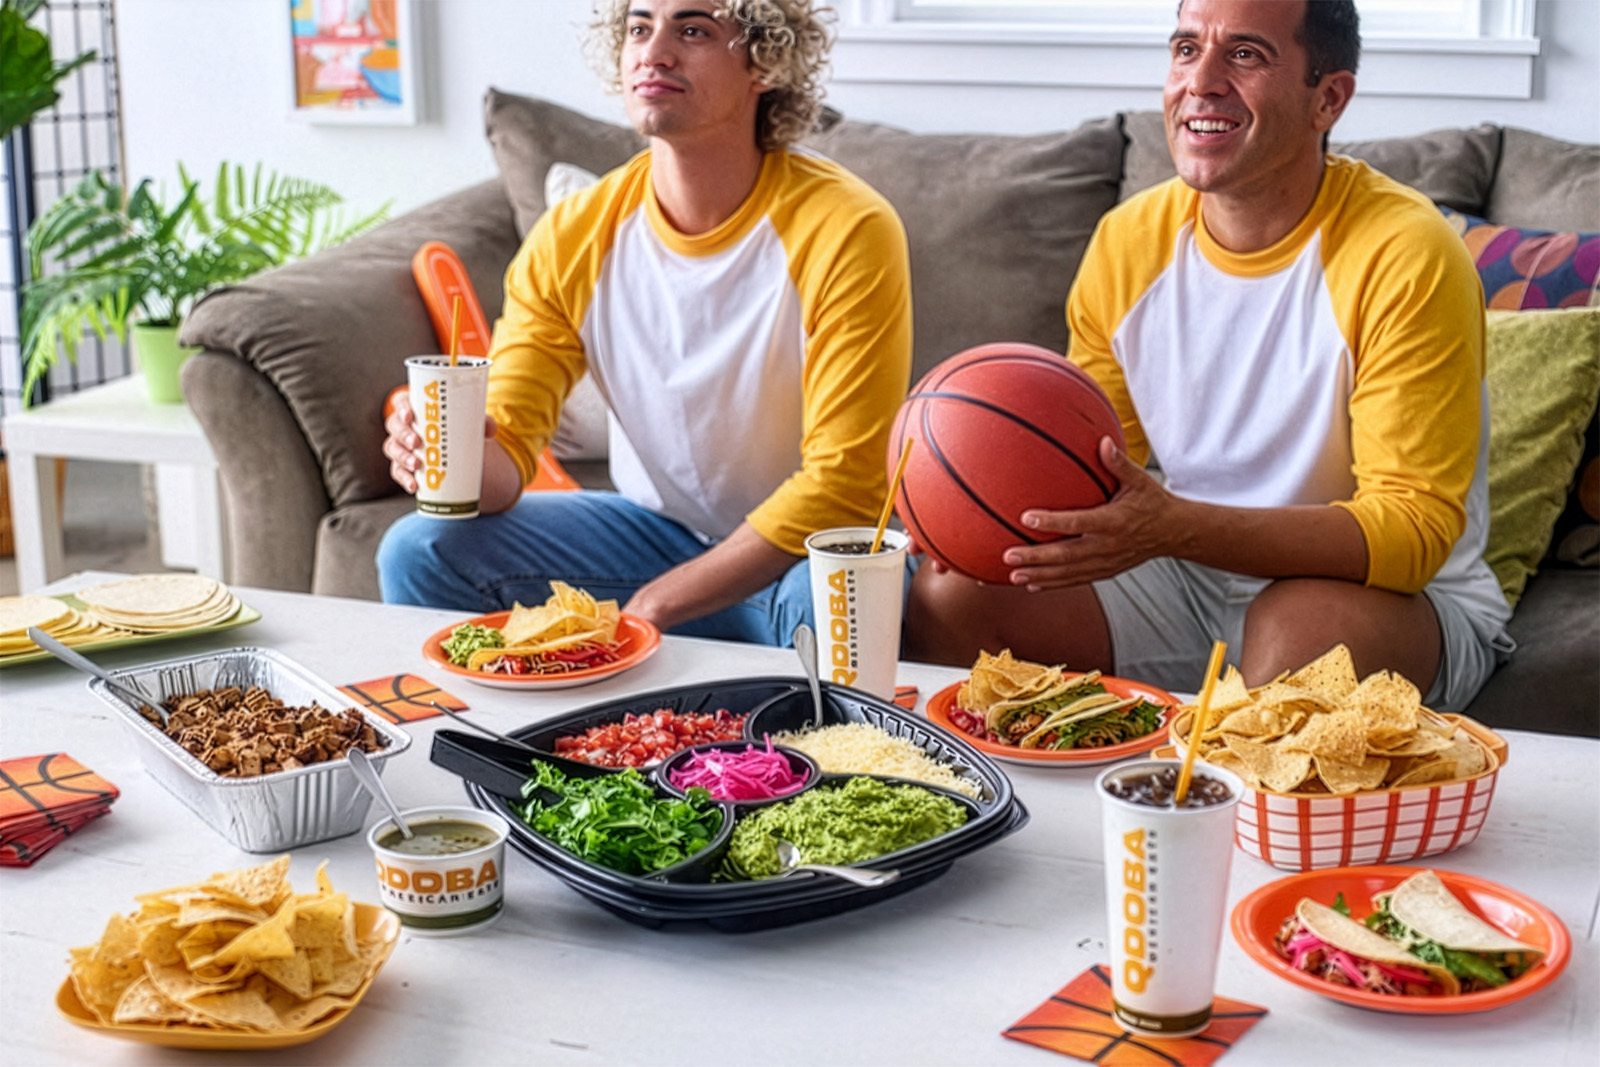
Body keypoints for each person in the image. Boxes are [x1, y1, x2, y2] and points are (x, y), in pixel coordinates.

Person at [903, 0, 1512, 711]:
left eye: (1246, 55)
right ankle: (1056, 819)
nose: (1203, 81)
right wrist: (976, 520)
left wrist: (1177, 526)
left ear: (1329, 98)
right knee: (954, 598)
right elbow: (1094, 471)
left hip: (1393, 598)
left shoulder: (1406, 252)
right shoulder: (1127, 242)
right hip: (1180, 573)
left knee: (1300, 632)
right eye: (1187, 49)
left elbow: (1413, 532)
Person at [378, 0, 912, 645]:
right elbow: (506, 461)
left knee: (836, 597)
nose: (653, 51)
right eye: (639, 27)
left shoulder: (846, 228)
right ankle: (494, 743)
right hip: (655, 533)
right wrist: (442, 453)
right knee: (420, 547)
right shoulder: (573, 236)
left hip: (804, 553)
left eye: (692, 30)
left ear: (763, 63)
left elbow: (846, 486)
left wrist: (650, 609)